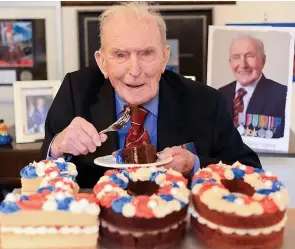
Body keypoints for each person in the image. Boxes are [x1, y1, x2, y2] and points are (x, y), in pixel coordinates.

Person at [40, 2, 261, 188]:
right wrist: (57, 148)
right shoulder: (75, 90)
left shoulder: (205, 101)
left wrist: (195, 165)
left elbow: (253, 172)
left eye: (146, 53)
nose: (135, 70)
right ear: (102, 62)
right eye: (120, 55)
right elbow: (40, 171)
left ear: (165, 58)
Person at [218, 35, 287, 139]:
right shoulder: (220, 94)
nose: (243, 65)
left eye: (249, 56)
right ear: (230, 62)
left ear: (263, 61)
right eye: (236, 57)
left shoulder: (282, 95)